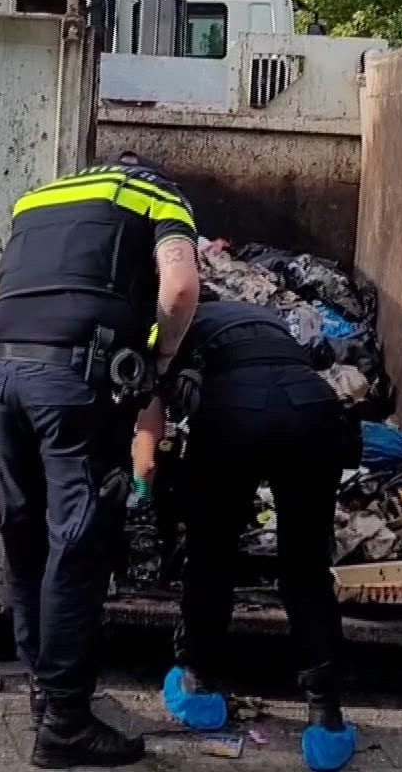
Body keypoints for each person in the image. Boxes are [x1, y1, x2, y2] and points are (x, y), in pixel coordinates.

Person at [0, 151, 201, 768]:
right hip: (74, 385)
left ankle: (44, 699)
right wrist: (156, 362)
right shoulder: (157, 194)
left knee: (25, 541)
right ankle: (66, 725)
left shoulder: (38, 198)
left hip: (2, 376)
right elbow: (180, 288)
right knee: (76, 546)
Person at [135, 298, 360, 772]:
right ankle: (328, 721)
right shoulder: (262, 317)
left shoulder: (169, 322)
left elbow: (149, 420)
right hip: (312, 410)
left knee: (212, 555)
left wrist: (147, 475)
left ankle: (198, 688)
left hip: (235, 412)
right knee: (306, 571)